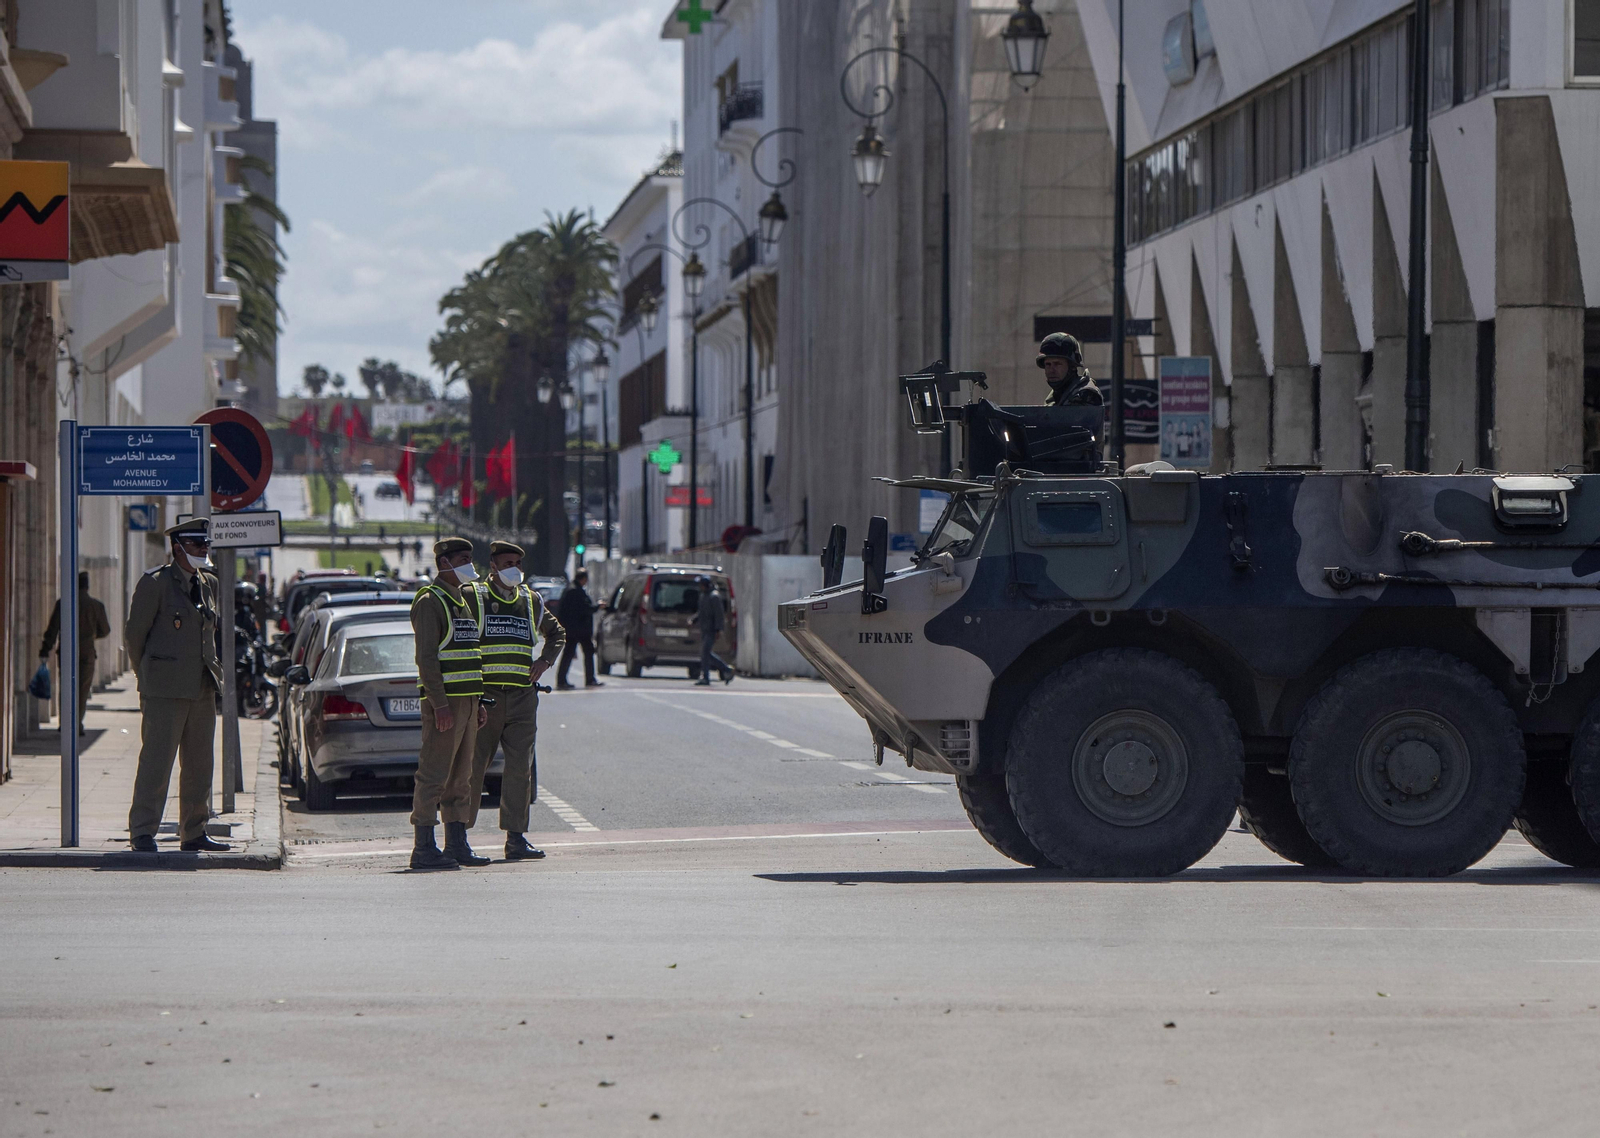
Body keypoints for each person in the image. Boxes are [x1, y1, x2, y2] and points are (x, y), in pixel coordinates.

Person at [124, 519, 227, 853]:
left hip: (201, 686)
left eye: (205, 544)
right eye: (198, 545)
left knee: (200, 765)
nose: (204, 550)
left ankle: (194, 831)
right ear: (179, 548)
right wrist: (149, 676)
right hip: (164, 690)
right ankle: (142, 831)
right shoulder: (156, 584)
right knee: (157, 762)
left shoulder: (208, 583)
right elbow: (134, 637)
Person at [466, 541, 566, 861]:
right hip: (487, 697)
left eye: (519, 564)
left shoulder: (531, 600)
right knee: (473, 768)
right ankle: (458, 835)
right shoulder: (475, 596)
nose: (515, 569)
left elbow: (557, 633)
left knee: (520, 769)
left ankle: (516, 838)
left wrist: (545, 662)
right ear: (492, 565)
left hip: (523, 697)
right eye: (508, 563)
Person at [410, 537, 491, 870]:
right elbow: (427, 659)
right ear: (444, 563)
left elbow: (472, 655)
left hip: (468, 701)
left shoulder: (462, 600)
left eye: (470, 558)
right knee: (434, 774)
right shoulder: (431, 601)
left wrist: (479, 701)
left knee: (462, 776)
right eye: (462, 559)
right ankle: (423, 847)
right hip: (445, 704)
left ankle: (456, 843)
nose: (469, 565)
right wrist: (440, 704)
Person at [39, 570, 111, 736]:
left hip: (66, 651)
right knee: (82, 690)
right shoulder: (96, 605)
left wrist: (45, 648)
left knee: (66, 687)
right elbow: (105, 630)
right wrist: (91, 636)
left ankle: (65, 723)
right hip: (87, 652)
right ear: (87, 586)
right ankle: (77, 724)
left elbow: (53, 629)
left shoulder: (63, 603)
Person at [555, 569, 601, 689]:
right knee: (581, 652)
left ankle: (562, 680)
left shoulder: (571, 589)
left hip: (573, 629)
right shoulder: (575, 591)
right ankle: (588, 679)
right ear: (583, 579)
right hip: (578, 629)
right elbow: (584, 609)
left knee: (571, 654)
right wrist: (597, 607)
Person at [1037, 332, 1104, 407]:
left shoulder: (1085, 394)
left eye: (1057, 364)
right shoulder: (1056, 395)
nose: (1051, 370)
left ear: (1072, 366)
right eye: (1048, 364)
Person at [693, 575, 734, 686]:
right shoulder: (703, 596)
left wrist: (718, 630)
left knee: (705, 653)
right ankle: (726, 670)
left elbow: (719, 615)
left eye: (701, 584)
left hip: (711, 629)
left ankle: (707, 677)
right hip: (704, 629)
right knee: (705, 653)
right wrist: (694, 619)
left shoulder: (714, 597)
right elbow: (701, 611)